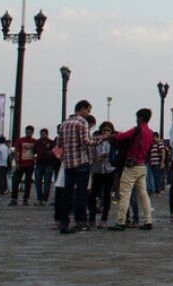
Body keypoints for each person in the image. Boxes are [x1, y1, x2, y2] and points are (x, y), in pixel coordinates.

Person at [56, 100, 102, 234]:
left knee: (67, 193)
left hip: (68, 163)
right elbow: (86, 141)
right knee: (81, 193)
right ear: (82, 109)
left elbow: (59, 144)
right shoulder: (82, 122)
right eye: (88, 110)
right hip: (81, 162)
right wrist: (100, 139)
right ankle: (80, 221)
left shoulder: (64, 123)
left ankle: (64, 222)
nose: (88, 114)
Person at [108, 108, 156, 232]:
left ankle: (120, 221)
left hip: (131, 165)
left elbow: (121, 137)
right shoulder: (150, 133)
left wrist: (109, 136)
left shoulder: (137, 130)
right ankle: (148, 220)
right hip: (142, 165)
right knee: (143, 194)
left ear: (140, 117)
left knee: (125, 194)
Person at [9, 125, 37, 206]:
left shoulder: (34, 141)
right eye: (26, 131)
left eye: (29, 131)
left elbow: (37, 151)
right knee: (15, 181)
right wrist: (16, 162)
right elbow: (16, 151)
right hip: (20, 164)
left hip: (30, 164)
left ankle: (25, 199)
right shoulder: (20, 140)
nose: (28, 133)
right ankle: (14, 199)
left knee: (28, 182)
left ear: (32, 132)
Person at [33, 128, 57, 206]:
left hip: (48, 165)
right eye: (41, 134)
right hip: (39, 164)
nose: (43, 135)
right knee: (38, 182)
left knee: (47, 182)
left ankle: (44, 199)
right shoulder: (37, 142)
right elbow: (34, 151)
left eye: (44, 134)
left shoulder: (51, 142)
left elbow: (54, 152)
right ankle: (40, 199)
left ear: (47, 134)